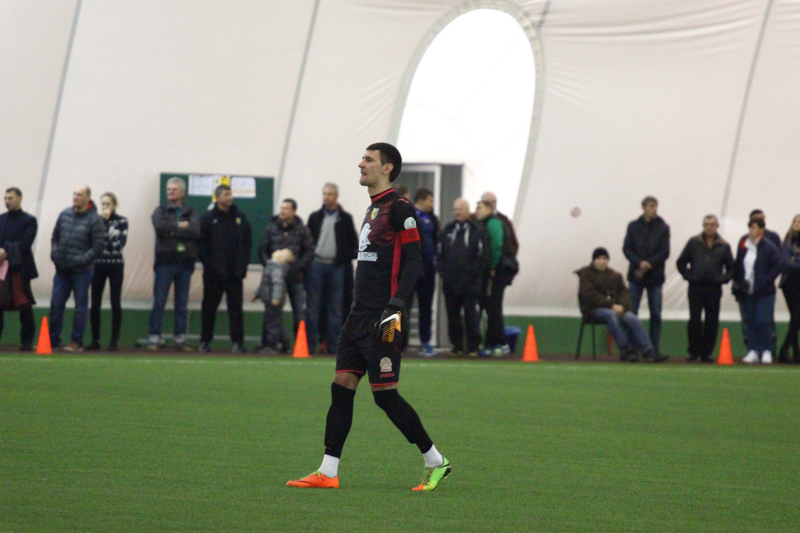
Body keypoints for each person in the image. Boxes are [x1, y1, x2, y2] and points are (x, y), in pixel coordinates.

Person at [287, 142, 450, 491]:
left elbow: (414, 262)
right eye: (362, 158)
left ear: (387, 168)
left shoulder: (400, 209)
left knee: (385, 395)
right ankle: (328, 472)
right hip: (357, 316)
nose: (360, 164)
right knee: (341, 388)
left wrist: (396, 306)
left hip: (385, 318)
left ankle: (435, 460)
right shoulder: (372, 208)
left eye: (368, 159)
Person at [575, 247, 663, 362]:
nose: (602, 261)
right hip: (593, 310)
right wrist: (611, 305)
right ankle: (627, 351)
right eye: (599, 258)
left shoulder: (615, 275)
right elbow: (590, 295)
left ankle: (648, 351)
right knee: (611, 315)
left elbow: (624, 293)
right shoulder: (586, 274)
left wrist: (622, 306)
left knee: (631, 317)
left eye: (605, 258)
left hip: (615, 308)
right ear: (594, 260)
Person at [49, 185, 105, 351]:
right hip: (62, 270)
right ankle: (53, 340)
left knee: (80, 308)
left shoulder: (95, 220)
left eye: (79, 194)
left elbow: (98, 246)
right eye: (74, 194)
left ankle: (76, 341)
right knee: (56, 305)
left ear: (88, 197)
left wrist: (82, 260)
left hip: (82, 271)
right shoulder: (64, 214)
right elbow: (55, 237)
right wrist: (55, 254)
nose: (75, 197)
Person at [198, 184, 252, 353]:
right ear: (218, 197)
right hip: (213, 274)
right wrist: (211, 267)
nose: (230, 197)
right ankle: (205, 341)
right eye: (226, 194)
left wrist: (242, 268)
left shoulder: (240, 218)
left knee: (236, 309)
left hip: (235, 274)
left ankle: (238, 342)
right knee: (209, 308)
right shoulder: (208, 218)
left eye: (231, 194)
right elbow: (201, 246)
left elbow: (247, 244)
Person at [148, 177, 200, 351]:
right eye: (169, 189)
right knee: (159, 301)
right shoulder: (160, 210)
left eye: (174, 189)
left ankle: (180, 339)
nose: (170, 192)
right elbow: (159, 227)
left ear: (182, 193)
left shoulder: (191, 212)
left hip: (185, 263)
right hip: (164, 262)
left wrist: (172, 231)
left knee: (181, 303)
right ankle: (154, 337)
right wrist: (180, 226)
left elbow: (195, 231)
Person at [306, 183, 358, 354]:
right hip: (316, 265)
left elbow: (353, 244)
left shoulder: (345, 219)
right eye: (324, 194)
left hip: (337, 268)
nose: (326, 197)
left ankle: (334, 346)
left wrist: (343, 258)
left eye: (329, 194)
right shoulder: (315, 217)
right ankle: (310, 345)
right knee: (313, 307)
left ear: (336, 196)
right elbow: (307, 242)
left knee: (336, 308)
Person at [675, 215, 734, 362]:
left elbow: (732, 268)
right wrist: (690, 277)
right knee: (694, 320)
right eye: (707, 224)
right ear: (703, 226)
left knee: (711, 321)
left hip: (714, 289)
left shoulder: (723, 246)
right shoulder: (693, 243)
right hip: (696, 288)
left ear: (717, 226)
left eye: (712, 224)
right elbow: (681, 263)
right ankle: (693, 352)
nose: (709, 227)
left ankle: (706, 353)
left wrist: (721, 279)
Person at [258, 198, 314, 346]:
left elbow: (309, 252)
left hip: (296, 277)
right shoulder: (271, 228)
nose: (282, 211)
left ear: (293, 211)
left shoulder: (302, 230)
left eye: (286, 208)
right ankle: (269, 344)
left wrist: (296, 267)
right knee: (272, 311)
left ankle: (301, 345)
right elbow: (262, 249)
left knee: (299, 312)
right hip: (275, 277)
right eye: (281, 208)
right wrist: (271, 266)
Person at [438, 198, 487, 358]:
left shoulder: (477, 230)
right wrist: (443, 272)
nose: (457, 212)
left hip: (470, 283)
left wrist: (473, 274)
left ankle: (473, 347)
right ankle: (457, 346)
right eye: (455, 209)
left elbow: (482, 255)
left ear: (467, 210)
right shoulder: (448, 230)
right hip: (450, 282)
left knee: (471, 315)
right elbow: (440, 253)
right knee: (453, 316)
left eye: (460, 209)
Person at [623, 195, 670, 355]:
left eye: (655, 206)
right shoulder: (633, 226)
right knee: (632, 312)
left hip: (655, 277)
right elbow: (627, 249)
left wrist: (650, 263)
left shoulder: (663, 227)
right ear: (643, 207)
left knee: (655, 313)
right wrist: (639, 262)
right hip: (636, 276)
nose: (654, 209)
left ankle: (653, 348)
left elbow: (665, 251)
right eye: (651, 206)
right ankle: (631, 348)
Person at [732, 218, 783, 364]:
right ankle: (753, 350)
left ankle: (766, 349)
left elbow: (778, 264)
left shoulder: (769, 246)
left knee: (762, 321)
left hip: (764, 292)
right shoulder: (743, 245)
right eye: (750, 227)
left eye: (755, 228)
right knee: (749, 321)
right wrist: (738, 283)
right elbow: (739, 264)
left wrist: (767, 279)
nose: (752, 231)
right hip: (746, 290)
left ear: (761, 230)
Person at [88, 193, 128, 351]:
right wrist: (103, 223)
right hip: (98, 265)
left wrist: (105, 243)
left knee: (115, 302)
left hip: (115, 265)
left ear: (114, 204)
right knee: (95, 302)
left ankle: (114, 340)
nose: (105, 207)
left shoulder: (122, 221)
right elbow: (94, 243)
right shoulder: (96, 221)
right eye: (103, 204)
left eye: (108, 204)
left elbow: (119, 244)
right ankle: (95, 340)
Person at [0, 187, 38, 350]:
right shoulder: (1, 219)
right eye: (5, 198)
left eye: (10, 198)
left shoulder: (29, 220)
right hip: (1, 268)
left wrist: (5, 250)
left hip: (20, 269)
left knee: (24, 304)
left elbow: (25, 244)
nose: (7, 201)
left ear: (20, 198)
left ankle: (27, 342)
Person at [475, 199, 512, 357]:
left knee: (493, 306)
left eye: (480, 207)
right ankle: (491, 343)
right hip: (492, 271)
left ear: (489, 209)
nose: (477, 210)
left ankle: (501, 342)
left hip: (497, 273)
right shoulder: (484, 223)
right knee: (490, 306)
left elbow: (496, 245)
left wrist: (492, 267)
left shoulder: (493, 223)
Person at [413, 188, 439, 356]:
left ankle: (425, 342)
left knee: (426, 306)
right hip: (411, 268)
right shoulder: (410, 216)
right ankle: (398, 343)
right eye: (430, 200)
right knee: (403, 306)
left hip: (429, 268)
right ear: (421, 200)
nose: (431, 204)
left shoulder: (432, 219)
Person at [252, 248, 294, 355]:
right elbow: (264, 284)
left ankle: (271, 346)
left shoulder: (275, 268)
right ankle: (286, 343)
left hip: (273, 301)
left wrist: (276, 298)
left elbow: (277, 284)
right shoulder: (272, 267)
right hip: (271, 300)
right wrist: (256, 294)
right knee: (277, 322)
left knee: (272, 323)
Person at [778, 214, 800, 363]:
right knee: (796, 317)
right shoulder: (788, 241)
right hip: (790, 283)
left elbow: (792, 261)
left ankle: (789, 351)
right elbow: (786, 262)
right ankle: (788, 351)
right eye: (796, 221)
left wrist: (795, 259)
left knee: (796, 318)